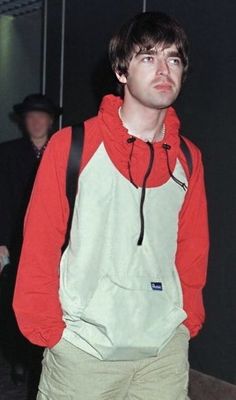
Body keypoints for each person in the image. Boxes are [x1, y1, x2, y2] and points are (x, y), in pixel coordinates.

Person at [13, 12, 209, 400]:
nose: (164, 69)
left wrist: (189, 320)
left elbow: (192, 247)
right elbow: (39, 241)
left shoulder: (188, 157)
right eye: (148, 57)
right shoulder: (72, 145)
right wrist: (49, 330)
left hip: (163, 351)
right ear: (122, 72)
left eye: (174, 58)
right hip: (84, 350)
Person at [0, 94, 62, 389]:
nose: (36, 121)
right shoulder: (7, 154)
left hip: (54, 244)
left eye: (42, 115)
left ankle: (41, 360)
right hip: (16, 242)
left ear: (51, 121)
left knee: (50, 302)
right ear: (24, 121)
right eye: (31, 116)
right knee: (15, 303)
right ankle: (20, 360)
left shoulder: (63, 153)